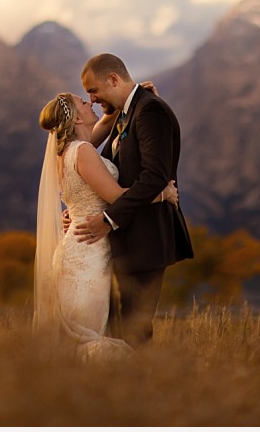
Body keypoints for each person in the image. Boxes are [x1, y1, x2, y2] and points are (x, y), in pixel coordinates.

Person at [35, 91, 178, 361]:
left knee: (80, 336)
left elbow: (103, 124)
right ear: (76, 118)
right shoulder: (83, 151)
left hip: (77, 249)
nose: (89, 102)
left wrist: (132, 97)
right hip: (87, 255)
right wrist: (163, 194)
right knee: (90, 338)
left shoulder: (69, 149)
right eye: (83, 102)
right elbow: (116, 197)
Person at [75, 54, 194, 347]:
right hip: (125, 241)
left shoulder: (150, 111)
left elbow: (155, 176)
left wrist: (108, 219)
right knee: (117, 329)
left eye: (94, 90)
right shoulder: (128, 112)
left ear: (114, 79)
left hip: (147, 239)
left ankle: (139, 388)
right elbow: (110, 173)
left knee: (134, 331)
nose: (91, 99)